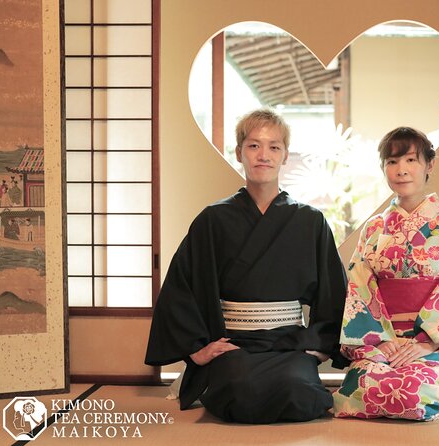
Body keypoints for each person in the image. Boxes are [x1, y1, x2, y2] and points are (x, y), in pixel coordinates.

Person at [145, 109, 347, 424]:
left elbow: (333, 291)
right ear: (239, 153)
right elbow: (181, 286)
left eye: (273, 147)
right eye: (253, 146)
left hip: (288, 342)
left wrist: (321, 345)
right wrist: (197, 349)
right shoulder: (213, 219)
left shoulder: (310, 221)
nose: (263, 155)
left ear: (285, 156)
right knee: (240, 391)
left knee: (299, 391)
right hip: (235, 342)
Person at [332, 127, 439, 421]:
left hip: (436, 341)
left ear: (429, 164)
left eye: (411, 160)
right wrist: (380, 340)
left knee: (412, 392)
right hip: (384, 340)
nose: (401, 170)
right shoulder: (374, 227)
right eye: (392, 162)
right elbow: (360, 287)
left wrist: (427, 341)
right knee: (363, 386)